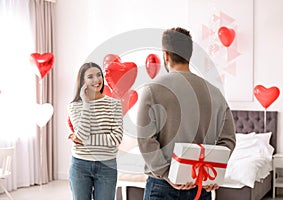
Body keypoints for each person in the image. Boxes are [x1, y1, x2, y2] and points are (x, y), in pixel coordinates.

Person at [136, 27, 236, 200]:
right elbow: (228, 140)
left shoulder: (152, 89)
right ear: (189, 55)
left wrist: (168, 173)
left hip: (162, 186)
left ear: (166, 55)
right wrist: (212, 173)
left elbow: (145, 139)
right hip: (201, 186)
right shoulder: (215, 94)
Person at [67, 62, 123, 200]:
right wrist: (86, 103)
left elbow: (116, 138)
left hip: (107, 164)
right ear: (82, 81)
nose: (96, 80)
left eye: (99, 75)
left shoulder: (114, 104)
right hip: (80, 164)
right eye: (90, 76)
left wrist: (83, 140)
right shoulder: (74, 106)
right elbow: (82, 133)